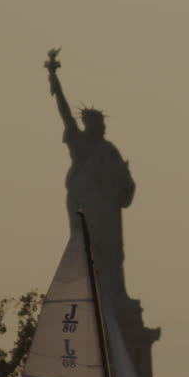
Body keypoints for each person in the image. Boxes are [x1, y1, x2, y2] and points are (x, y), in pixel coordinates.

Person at [46, 48, 137, 303]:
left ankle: (114, 294)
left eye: (103, 124)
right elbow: (64, 111)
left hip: (107, 208)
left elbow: (125, 182)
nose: (102, 128)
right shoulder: (80, 142)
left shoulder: (109, 150)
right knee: (87, 247)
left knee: (112, 251)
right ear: (89, 124)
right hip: (84, 204)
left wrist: (124, 184)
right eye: (99, 124)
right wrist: (54, 78)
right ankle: (88, 292)